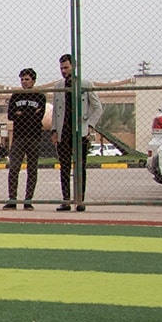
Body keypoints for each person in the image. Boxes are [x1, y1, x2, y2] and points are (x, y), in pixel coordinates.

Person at [52, 52, 101, 212]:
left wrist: (89, 125)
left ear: (74, 67)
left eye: (66, 67)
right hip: (63, 132)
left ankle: (80, 200)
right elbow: (55, 111)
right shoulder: (58, 87)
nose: (63, 71)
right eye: (61, 68)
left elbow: (97, 108)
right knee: (64, 168)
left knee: (80, 168)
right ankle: (66, 200)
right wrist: (54, 130)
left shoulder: (85, 84)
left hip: (80, 132)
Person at [3, 67, 47, 209]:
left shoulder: (40, 96)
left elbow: (39, 116)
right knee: (14, 168)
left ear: (33, 81)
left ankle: (28, 200)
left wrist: (21, 114)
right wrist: (30, 113)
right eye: (22, 79)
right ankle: (12, 199)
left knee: (32, 169)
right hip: (18, 137)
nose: (24, 82)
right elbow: (10, 115)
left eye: (27, 79)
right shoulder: (16, 96)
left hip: (34, 136)